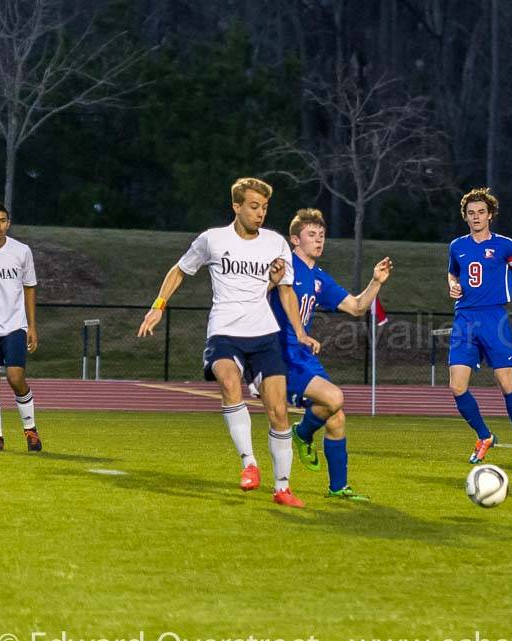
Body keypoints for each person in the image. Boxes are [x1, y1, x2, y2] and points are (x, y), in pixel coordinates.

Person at [137, 178, 320, 508]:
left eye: (264, 207)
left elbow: (286, 291)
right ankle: (249, 464)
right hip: (224, 331)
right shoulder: (212, 240)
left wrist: (301, 331)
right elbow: (179, 271)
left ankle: (282, 487)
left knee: (278, 411)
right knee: (228, 381)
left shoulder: (276, 243)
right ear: (236, 207)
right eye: (253, 206)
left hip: (264, 334)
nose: (260, 213)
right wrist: (157, 306)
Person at [268, 208, 392, 501]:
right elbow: (254, 294)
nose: (319, 240)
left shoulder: (318, 277)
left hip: (303, 354)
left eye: (322, 235)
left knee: (336, 418)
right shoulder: (282, 267)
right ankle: (302, 433)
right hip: (280, 353)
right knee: (334, 398)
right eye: (312, 235)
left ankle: (338, 488)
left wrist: (376, 281)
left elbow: (357, 307)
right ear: (294, 240)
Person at [447, 187, 512, 465]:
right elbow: (453, 273)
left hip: (494, 318)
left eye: (481, 212)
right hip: (464, 319)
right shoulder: (457, 246)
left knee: (506, 382)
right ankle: (484, 436)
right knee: (457, 386)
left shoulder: (505, 245)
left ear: (490, 215)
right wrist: (452, 285)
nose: (476, 217)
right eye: (471, 213)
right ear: (466, 216)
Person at [0, 202, 41, 453]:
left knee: (15, 378)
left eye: (2, 221)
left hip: (14, 326)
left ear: (8, 224)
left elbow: (30, 286)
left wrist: (32, 326)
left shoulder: (21, 251)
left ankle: (30, 429)